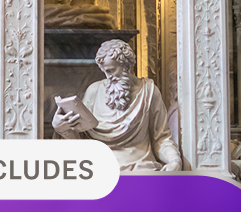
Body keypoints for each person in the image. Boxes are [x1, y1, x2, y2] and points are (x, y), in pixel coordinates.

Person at [51, 39, 181, 172]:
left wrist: (174, 160)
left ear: (126, 66)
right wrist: (62, 128)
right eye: (105, 71)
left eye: (112, 70)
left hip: (140, 167)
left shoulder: (148, 92)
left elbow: (161, 138)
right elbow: (80, 143)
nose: (109, 77)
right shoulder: (94, 91)